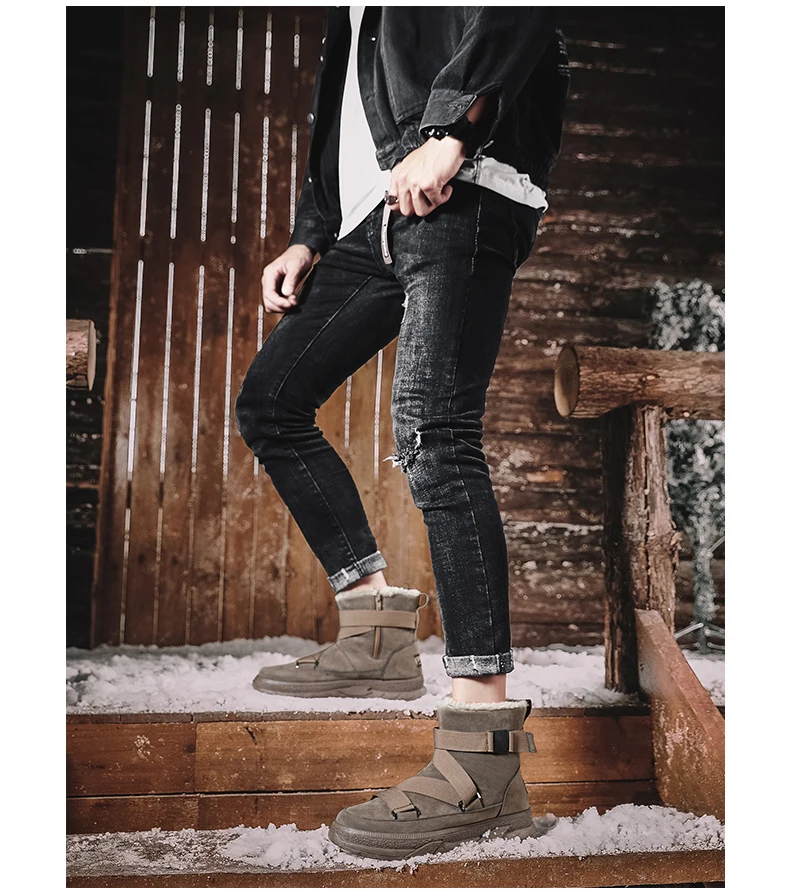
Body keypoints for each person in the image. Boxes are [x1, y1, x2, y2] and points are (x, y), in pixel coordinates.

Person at [235, 6, 569, 859]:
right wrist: (311, 233)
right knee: (272, 401)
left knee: (434, 434)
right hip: (376, 215)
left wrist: (453, 129)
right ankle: (377, 627)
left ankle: (483, 755)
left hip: (464, 183)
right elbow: (346, 116)